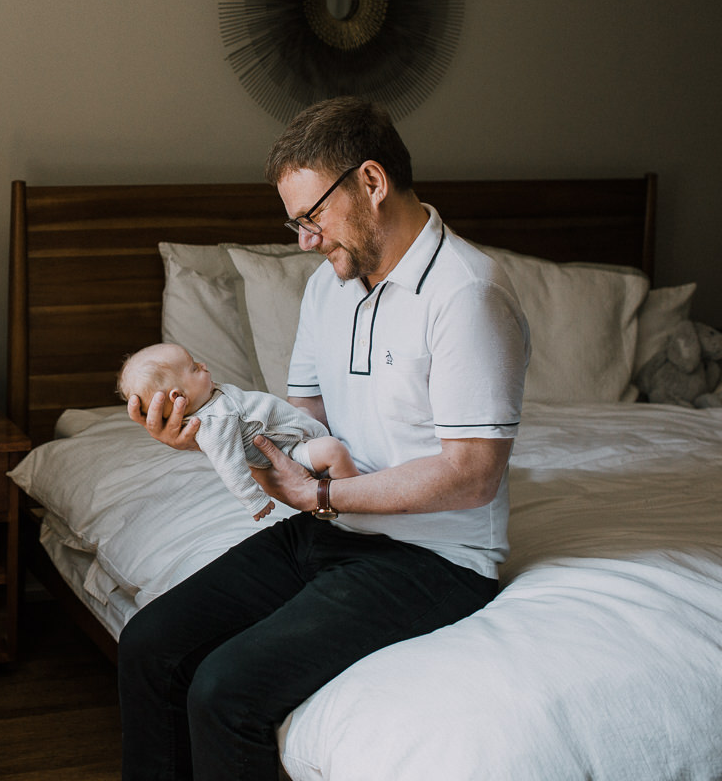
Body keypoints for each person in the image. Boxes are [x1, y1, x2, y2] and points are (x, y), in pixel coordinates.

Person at [118, 97, 530, 781]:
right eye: (296, 222)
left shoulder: (467, 295)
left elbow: (472, 473)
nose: (305, 239)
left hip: (434, 557)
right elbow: (301, 428)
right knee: (148, 645)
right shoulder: (327, 289)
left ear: (372, 182)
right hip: (332, 525)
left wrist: (320, 492)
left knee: (225, 692)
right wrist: (208, 436)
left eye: (312, 217)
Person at [115, 342, 359, 520]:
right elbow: (229, 465)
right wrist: (254, 500)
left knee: (308, 415)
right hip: (289, 451)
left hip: (292, 430)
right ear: (178, 396)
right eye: (194, 368)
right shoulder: (213, 423)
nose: (203, 365)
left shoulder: (208, 398)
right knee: (333, 450)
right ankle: (354, 503)